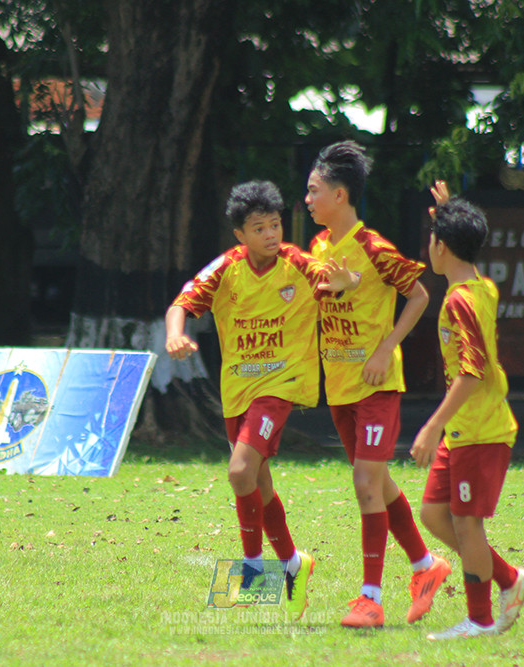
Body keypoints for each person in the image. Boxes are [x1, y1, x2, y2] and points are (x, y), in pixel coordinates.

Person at [166, 180, 358, 621]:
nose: (271, 234)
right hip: (238, 390)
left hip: (281, 386)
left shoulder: (297, 264)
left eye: (275, 225)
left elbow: (338, 281)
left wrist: (346, 282)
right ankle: (292, 563)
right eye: (259, 228)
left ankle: (252, 569)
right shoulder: (226, 269)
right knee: (257, 481)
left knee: (238, 472)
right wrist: (176, 335)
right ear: (240, 235)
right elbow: (180, 304)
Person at [305, 140, 451, 628]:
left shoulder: (373, 248)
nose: (307, 200)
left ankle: (370, 598)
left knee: (365, 482)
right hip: (339, 385)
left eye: (314, 191)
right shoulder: (320, 248)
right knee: (380, 483)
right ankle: (426, 568)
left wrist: (387, 348)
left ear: (341, 196)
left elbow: (420, 294)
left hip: (376, 384)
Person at [409, 182, 524, 640]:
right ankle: (508, 579)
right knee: (434, 515)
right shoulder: (480, 285)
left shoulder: (461, 300)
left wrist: (431, 426)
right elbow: (464, 247)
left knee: (466, 524)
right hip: (464, 432)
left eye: (433, 238)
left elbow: (472, 372)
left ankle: (481, 619)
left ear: (440, 246)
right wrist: (448, 212)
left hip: (479, 430)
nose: (430, 245)